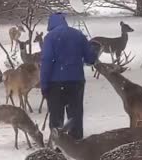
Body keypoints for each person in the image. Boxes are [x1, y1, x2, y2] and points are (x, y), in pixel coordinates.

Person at [40, 12, 99, 140]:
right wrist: (94, 51)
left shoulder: (50, 37)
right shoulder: (78, 35)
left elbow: (46, 61)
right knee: (75, 113)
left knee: (56, 115)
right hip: (76, 81)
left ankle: (57, 143)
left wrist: (44, 85)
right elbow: (90, 59)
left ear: (51, 24)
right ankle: (76, 141)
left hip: (56, 83)